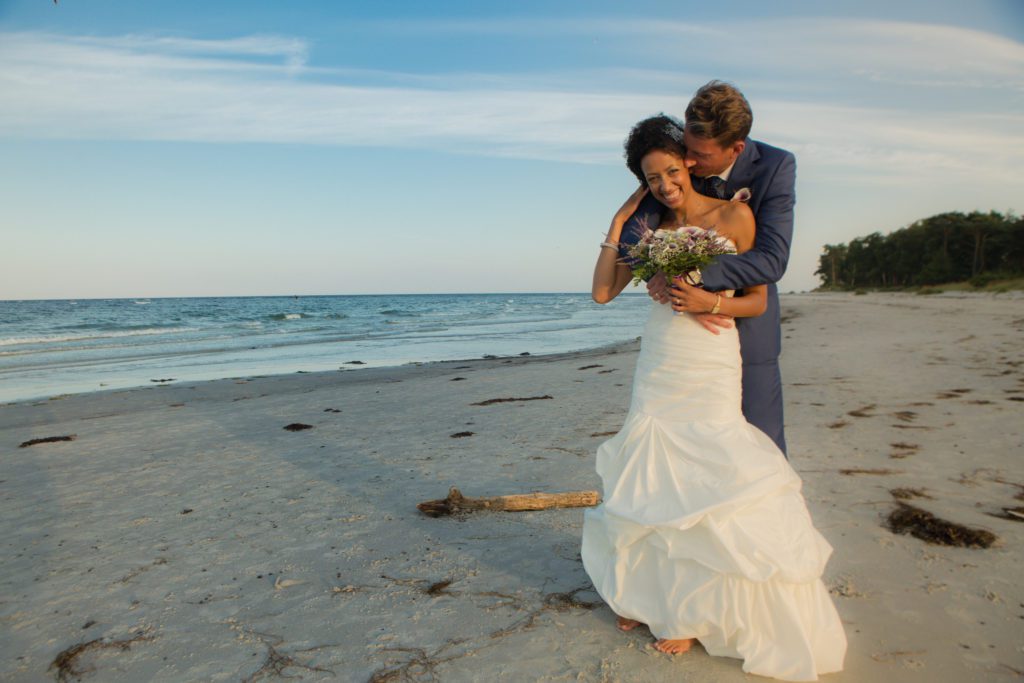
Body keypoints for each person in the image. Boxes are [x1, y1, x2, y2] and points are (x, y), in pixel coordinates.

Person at [583, 115, 846, 681]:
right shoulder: (647, 227)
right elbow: (603, 292)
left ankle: (702, 606)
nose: (664, 185)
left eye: (671, 171)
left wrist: (711, 303)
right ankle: (656, 598)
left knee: (713, 464)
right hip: (661, 359)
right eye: (651, 179)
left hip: (710, 355)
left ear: (690, 163)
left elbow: (756, 300)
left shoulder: (735, 215)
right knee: (652, 466)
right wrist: (619, 220)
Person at [620, 81, 794, 455]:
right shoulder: (679, 161)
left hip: (748, 324)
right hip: (682, 344)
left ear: (736, 149)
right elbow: (633, 238)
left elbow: (772, 260)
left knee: (762, 444)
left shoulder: (776, 167)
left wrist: (693, 277)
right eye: (687, 148)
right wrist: (656, 274)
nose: (690, 162)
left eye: (701, 154)